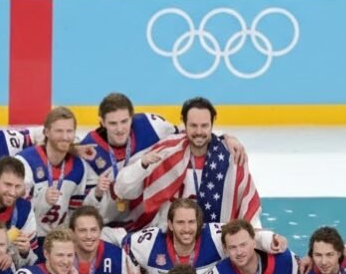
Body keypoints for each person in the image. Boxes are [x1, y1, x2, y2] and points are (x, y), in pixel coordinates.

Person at [80, 92, 245, 229]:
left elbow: (192, 131)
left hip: (144, 212)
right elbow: (85, 205)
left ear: (132, 117)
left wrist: (225, 138)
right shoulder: (89, 150)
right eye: (113, 123)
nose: (120, 128)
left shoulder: (151, 125)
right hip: (109, 219)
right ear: (102, 122)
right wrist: (98, 193)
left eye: (124, 121)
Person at [125, 198, 285, 274]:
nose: (186, 228)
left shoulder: (214, 236)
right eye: (180, 222)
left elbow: (245, 235)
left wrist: (270, 239)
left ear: (199, 223)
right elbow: (124, 245)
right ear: (170, 224)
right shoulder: (150, 241)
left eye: (191, 222)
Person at [16, 107, 103, 245]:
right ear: (46, 132)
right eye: (59, 131)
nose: (65, 136)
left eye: (69, 131)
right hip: (28, 239)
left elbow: (75, 212)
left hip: (60, 241)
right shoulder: (25, 161)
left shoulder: (79, 166)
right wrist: (42, 200)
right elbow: (16, 210)